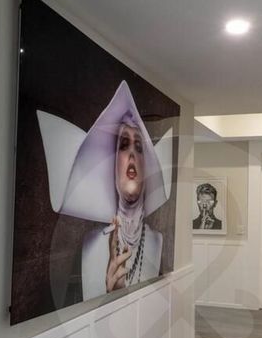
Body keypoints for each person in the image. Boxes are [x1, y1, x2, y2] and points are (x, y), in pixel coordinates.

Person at [36, 81, 174, 301]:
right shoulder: (89, 246)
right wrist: (112, 294)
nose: (131, 155)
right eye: (124, 145)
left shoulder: (158, 242)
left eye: (139, 147)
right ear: (113, 168)